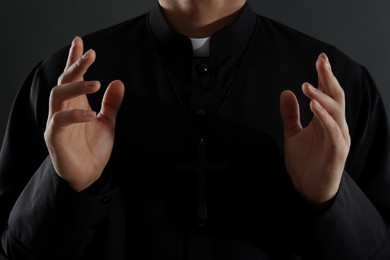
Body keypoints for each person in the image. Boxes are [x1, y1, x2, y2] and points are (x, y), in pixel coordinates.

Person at [0, 0, 389, 259]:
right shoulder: (64, 84)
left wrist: (327, 201)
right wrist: (67, 187)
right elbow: (12, 252)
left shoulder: (337, 87)